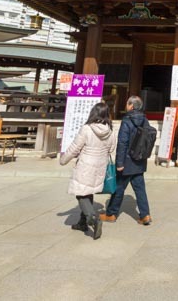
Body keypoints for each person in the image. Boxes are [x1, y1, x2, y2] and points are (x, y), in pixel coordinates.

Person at [59, 102, 116, 240]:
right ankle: (82, 222)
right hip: (100, 165)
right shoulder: (110, 131)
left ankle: (93, 218)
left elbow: (75, 147)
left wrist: (64, 159)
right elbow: (112, 149)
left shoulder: (87, 129)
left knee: (81, 193)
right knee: (88, 191)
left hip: (86, 164)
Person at [101, 96, 152, 225]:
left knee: (118, 188)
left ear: (131, 106)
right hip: (139, 160)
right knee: (140, 190)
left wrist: (119, 163)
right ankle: (145, 215)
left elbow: (122, 143)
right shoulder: (145, 120)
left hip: (127, 162)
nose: (126, 105)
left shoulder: (127, 121)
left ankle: (111, 214)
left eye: (127, 103)